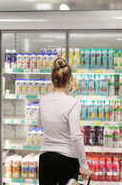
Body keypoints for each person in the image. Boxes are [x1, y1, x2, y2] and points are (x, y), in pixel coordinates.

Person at [37, 57, 91, 185]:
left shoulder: (43, 100)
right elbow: (76, 136)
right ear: (70, 80)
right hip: (67, 160)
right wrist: (84, 164)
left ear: (52, 79)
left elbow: (39, 124)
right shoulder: (73, 102)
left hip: (46, 158)